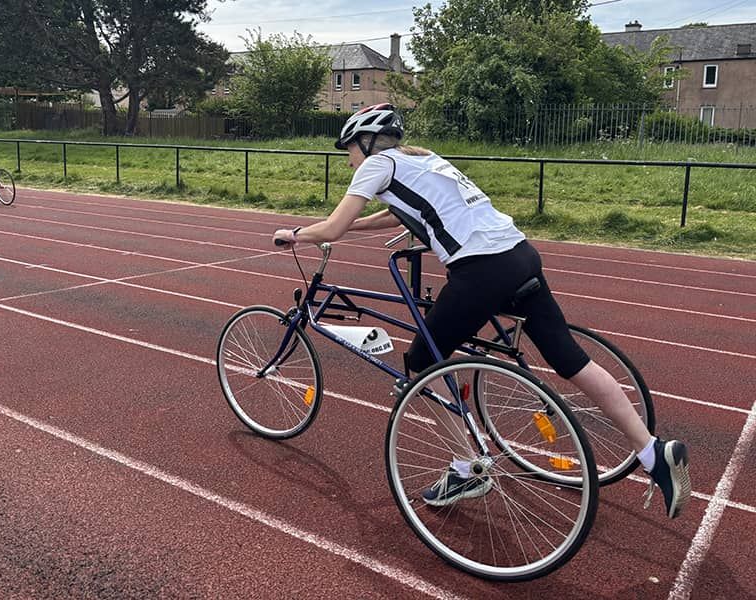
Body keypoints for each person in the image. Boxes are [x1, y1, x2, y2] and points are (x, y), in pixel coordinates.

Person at [273, 103, 691, 518]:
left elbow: (332, 228)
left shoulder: (377, 164)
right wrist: (358, 227)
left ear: (365, 143)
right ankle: (652, 451)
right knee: (570, 360)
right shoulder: (424, 159)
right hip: (520, 254)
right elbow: (400, 213)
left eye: (348, 150)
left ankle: (465, 470)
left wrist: (294, 234)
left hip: (481, 269)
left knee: (420, 364)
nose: (348, 162)